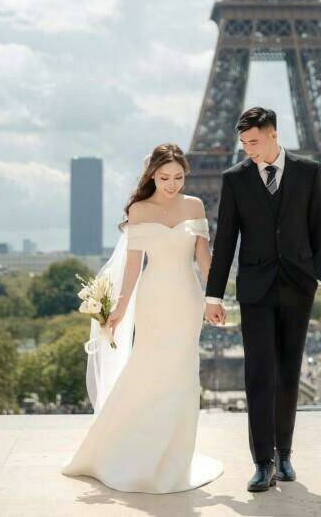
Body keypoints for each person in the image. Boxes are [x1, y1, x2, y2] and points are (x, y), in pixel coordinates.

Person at [61, 143, 223, 493]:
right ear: (152, 175)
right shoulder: (138, 210)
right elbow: (133, 267)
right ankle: (131, 446)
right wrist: (119, 311)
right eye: (164, 178)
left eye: (178, 177)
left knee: (183, 373)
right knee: (147, 368)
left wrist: (214, 297)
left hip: (187, 299)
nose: (172, 184)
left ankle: (175, 455)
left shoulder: (195, 205)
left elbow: (204, 258)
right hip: (152, 300)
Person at [205, 107, 321, 492]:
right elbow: (225, 240)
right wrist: (214, 295)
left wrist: (315, 278)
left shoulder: (309, 171)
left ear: (273, 134)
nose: (248, 149)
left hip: (297, 286)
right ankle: (262, 462)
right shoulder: (235, 179)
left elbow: (318, 230)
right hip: (255, 290)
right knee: (259, 375)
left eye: (254, 141)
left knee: (289, 372)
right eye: (243, 143)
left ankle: (284, 453)